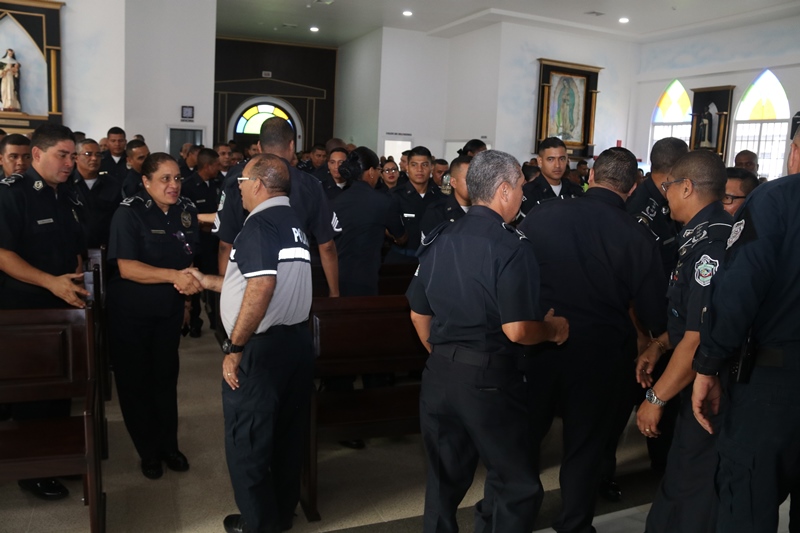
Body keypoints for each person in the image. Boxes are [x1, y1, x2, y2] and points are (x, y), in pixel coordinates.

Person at [407, 149, 569, 533]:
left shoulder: (440, 237)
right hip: (488, 380)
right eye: (521, 188)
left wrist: (445, 356)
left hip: (439, 374)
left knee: (443, 483)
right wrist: (553, 330)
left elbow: (418, 313)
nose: (523, 196)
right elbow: (517, 330)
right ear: (504, 190)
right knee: (516, 484)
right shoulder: (511, 246)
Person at [518, 147, 667, 533]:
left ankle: (512, 517)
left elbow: (515, 276)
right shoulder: (637, 235)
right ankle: (574, 525)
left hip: (540, 343)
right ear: (632, 188)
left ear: (589, 176)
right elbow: (653, 314)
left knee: (525, 438)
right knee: (585, 447)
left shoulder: (542, 215)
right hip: (600, 355)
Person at [191, 154, 314, 533]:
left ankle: (258, 524)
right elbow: (252, 284)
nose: (239, 189)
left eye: (241, 182)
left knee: (248, 440)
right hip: (295, 344)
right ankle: (280, 514)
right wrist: (207, 281)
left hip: (261, 351)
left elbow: (261, 287)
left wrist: (234, 348)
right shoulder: (293, 222)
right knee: (286, 437)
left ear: (258, 184)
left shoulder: (259, 224)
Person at [692, 129, 800, 533]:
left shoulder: (777, 199)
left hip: (775, 385)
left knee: (747, 506)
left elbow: (739, 289)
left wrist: (708, 363)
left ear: (795, 150)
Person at [633, 151, 732, 533]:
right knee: (680, 477)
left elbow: (697, 339)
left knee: (692, 488)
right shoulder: (698, 235)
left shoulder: (712, 245)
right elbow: (687, 320)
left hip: (711, 387)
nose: (666, 195)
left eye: (669, 186)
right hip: (696, 380)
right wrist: (659, 345)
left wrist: (655, 399)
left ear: (687, 187)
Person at [0, 123, 88, 501]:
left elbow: (75, 247)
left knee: (60, 392)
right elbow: (3, 254)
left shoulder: (66, 193)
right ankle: (32, 472)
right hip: (27, 311)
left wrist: (75, 279)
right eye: (62, 155)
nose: (70, 163)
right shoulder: (12, 193)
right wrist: (51, 282)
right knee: (33, 396)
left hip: (63, 307)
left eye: (73, 156)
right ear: (37, 154)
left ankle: (57, 457)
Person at [106, 152, 202, 479]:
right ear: (146, 181)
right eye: (165, 179)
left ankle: (169, 447)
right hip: (131, 312)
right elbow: (127, 268)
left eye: (177, 178)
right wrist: (174, 276)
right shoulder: (129, 212)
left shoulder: (186, 210)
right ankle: (148, 452)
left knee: (165, 379)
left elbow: (187, 259)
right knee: (136, 383)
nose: (173, 185)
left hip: (168, 310)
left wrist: (185, 303)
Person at [213, 117, 340, 298]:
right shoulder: (310, 185)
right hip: (293, 285)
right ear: (291, 145)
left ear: (259, 146)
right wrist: (334, 292)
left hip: (247, 283)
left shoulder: (237, 182)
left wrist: (225, 293)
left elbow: (225, 245)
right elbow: (326, 246)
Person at [333, 146, 405, 295]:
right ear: (371, 171)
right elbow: (402, 237)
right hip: (365, 276)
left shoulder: (336, 201)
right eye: (379, 170)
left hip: (337, 274)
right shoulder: (383, 201)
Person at [181, 148, 222, 336]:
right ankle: (195, 322)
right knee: (195, 283)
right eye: (216, 165)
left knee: (215, 281)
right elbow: (187, 218)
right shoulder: (188, 186)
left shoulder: (218, 184)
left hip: (215, 243)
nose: (219, 168)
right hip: (197, 243)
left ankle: (216, 320)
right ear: (207, 166)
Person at [385, 145, 442, 264]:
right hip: (401, 261)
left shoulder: (440, 197)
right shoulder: (395, 196)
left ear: (431, 167)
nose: (419, 169)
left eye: (424, 165)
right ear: (407, 167)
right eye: (414, 165)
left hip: (432, 260)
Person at [71, 138, 123, 248]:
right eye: (88, 154)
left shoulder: (112, 184)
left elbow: (119, 218)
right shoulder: (66, 184)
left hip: (105, 246)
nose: (94, 158)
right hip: (75, 247)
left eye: (98, 155)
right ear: (76, 157)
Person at [519, 137, 583, 217]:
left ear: (567, 160)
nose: (557, 165)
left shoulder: (575, 190)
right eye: (550, 159)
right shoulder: (529, 192)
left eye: (562, 159)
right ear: (540, 161)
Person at [420, 155, 471, 237]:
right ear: (453, 182)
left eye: (477, 178)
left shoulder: (485, 211)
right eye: (469, 179)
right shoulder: (436, 212)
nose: (475, 183)